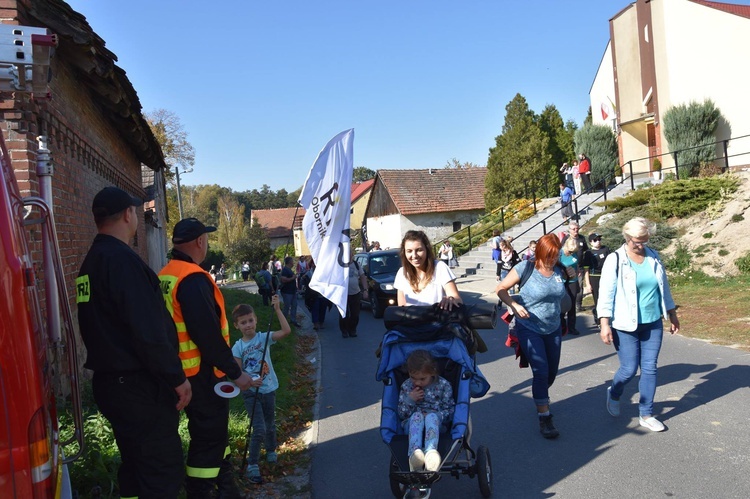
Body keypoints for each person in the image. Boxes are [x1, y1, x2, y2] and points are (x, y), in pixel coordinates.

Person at [77, 186, 191, 498]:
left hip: (112, 384)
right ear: (129, 215)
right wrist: (176, 377)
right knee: (160, 472)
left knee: (135, 468)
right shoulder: (122, 261)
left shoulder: (92, 263)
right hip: (138, 387)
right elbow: (148, 331)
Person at [159, 217, 253, 498]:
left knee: (213, 437)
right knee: (208, 438)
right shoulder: (193, 278)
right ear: (200, 241)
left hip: (178, 373)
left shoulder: (166, 274)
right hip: (201, 376)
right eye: (207, 239)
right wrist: (236, 374)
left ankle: (226, 489)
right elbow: (208, 337)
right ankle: (200, 491)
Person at [598, 217, 680, 432]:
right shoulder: (615, 259)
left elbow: (664, 287)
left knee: (650, 368)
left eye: (645, 240)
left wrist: (671, 313)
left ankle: (646, 414)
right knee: (628, 370)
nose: (642, 244)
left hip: (652, 322)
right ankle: (614, 392)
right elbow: (606, 293)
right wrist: (605, 324)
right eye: (637, 241)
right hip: (624, 324)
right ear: (627, 237)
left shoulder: (653, 256)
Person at [495, 233, 566, 439]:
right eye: (549, 255)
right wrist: (514, 305)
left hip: (553, 328)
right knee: (541, 371)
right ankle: (545, 416)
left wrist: (572, 275)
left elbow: (566, 292)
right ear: (540, 252)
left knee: (551, 373)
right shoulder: (525, 268)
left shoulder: (559, 271)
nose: (552, 259)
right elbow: (501, 289)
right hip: (529, 327)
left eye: (555, 255)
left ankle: (540, 395)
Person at [231, 295, 292, 484]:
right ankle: (253, 464)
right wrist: (249, 382)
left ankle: (271, 449)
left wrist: (278, 310)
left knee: (270, 424)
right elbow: (238, 374)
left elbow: (286, 331)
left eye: (250, 320)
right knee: (258, 428)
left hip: (268, 388)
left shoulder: (264, 338)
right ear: (237, 326)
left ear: (256, 320)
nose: (248, 325)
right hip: (251, 393)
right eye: (243, 322)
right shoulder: (238, 347)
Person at [397, 349, 455, 472]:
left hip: (436, 424)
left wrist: (436, 415)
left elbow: (449, 410)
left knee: (431, 417)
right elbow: (402, 414)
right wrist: (410, 399)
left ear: (432, 373)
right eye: (413, 378)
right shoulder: (407, 386)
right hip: (412, 424)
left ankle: (430, 453)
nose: (417, 382)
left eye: (422, 379)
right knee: (417, 416)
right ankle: (415, 455)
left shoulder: (443, 385)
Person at [394, 230, 462, 309]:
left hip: (438, 320)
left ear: (427, 250)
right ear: (404, 253)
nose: (414, 255)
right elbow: (401, 309)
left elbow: (457, 299)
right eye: (409, 251)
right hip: (413, 321)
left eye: (419, 250)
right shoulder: (401, 273)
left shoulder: (440, 267)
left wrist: (451, 299)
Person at [583, 232, 610, 326]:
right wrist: (588, 283)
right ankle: (599, 319)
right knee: (598, 299)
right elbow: (586, 268)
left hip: (606, 276)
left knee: (607, 297)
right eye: (595, 240)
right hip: (595, 277)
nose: (598, 242)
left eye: (599, 239)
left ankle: (606, 316)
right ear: (591, 242)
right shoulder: (588, 253)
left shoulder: (605, 249)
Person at [560, 221, 589, 311]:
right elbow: (561, 252)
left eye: (577, 229)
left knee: (579, 287)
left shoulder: (581, 238)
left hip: (579, 267)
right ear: (569, 230)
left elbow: (585, 250)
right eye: (574, 229)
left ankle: (578, 305)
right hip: (567, 269)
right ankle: (566, 305)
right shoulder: (565, 239)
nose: (576, 231)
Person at [339, 253, 369, 337]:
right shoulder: (340, 265)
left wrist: (365, 290)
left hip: (355, 293)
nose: (348, 256)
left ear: (352, 255)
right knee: (344, 314)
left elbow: (363, 277)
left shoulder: (356, 264)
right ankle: (344, 331)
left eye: (350, 254)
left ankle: (352, 329)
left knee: (355, 314)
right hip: (343, 294)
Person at [559, 236, 581, 335]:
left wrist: (578, 270)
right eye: (570, 251)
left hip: (573, 281)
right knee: (563, 304)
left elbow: (575, 264)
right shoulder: (560, 253)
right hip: (562, 281)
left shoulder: (575, 253)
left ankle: (572, 327)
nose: (572, 253)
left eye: (574, 252)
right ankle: (562, 326)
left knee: (572, 304)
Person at [279, 256, 301, 327]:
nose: (293, 263)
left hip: (293, 291)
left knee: (294, 306)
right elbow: (283, 279)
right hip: (287, 291)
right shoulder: (285, 270)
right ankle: (283, 321)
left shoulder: (289, 270)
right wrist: (293, 278)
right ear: (289, 262)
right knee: (287, 306)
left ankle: (293, 320)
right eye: (292, 261)